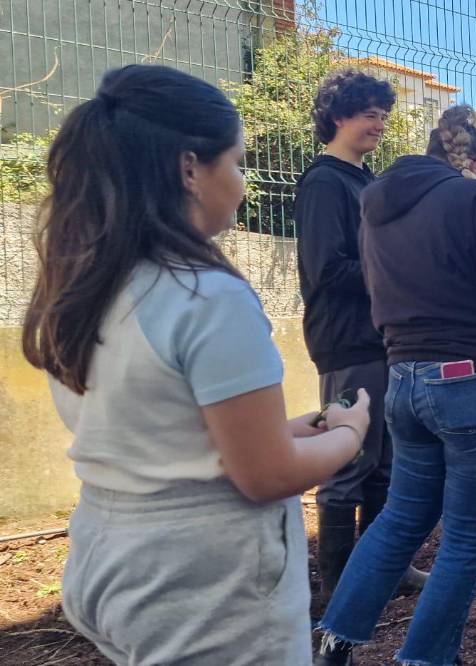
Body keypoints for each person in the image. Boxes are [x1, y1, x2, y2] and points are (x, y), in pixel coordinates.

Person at [24, 64, 366, 665]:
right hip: (207, 582)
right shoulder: (210, 297)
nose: (241, 181)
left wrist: (288, 428)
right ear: (189, 168)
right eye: (235, 163)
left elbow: (165, 434)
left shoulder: (80, 290)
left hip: (111, 556)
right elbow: (266, 475)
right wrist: (349, 434)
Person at [314, 106, 476, 666]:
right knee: (468, 539)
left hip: (403, 377)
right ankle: (426, 658)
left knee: (401, 517)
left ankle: (334, 645)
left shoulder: (375, 208)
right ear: (473, 162)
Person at [296, 68, 427, 609]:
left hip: (383, 338)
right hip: (348, 341)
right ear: (337, 116)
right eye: (368, 112)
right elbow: (327, 269)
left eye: (382, 114)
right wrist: (397, 273)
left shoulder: (367, 183)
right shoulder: (325, 182)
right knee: (347, 469)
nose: (379, 122)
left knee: (384, 464)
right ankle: (335, 593)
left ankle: (383, 571)